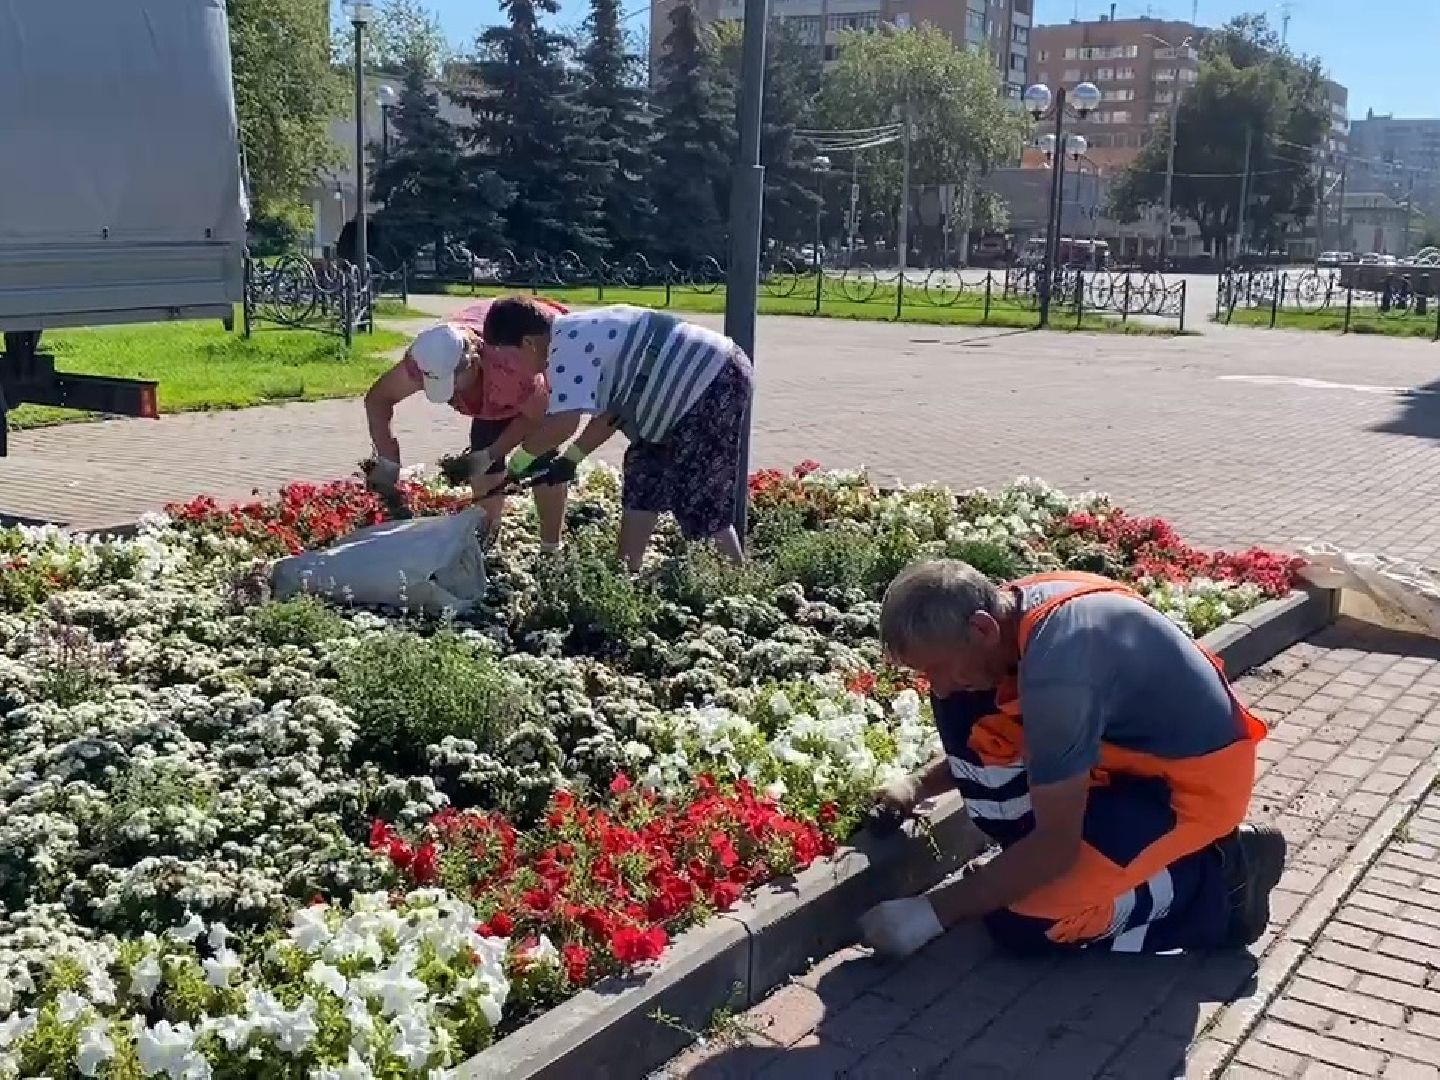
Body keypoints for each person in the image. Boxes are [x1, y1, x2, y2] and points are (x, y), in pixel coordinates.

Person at [859, 561, 1286, 959]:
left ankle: (1219, 878)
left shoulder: (1057, 672)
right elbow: (1007, 736)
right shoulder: (1012, 614)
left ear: (983, 628)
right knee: (964, 707)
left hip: (1185, 792)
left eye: (938, 668)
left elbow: (1055, 847)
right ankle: (1038, 859)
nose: (940, 687)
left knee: (1029, 924)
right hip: (1125, 766)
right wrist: (915, 787)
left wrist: (934, 911)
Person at [475, 296, 754, 571]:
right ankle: (626, 570)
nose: (509, 370)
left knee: (699, 499)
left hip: (710, 383)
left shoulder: (565, 348)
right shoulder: (579, 334)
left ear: (528, 343)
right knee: (644, 472)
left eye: (507, 360)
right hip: (706, 380)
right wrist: (570, 460)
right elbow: (610, 416)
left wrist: (517, 464)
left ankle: (737, 583)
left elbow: (562, 424)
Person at [362, 297, 582, 550]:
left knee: (542, 462)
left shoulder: (514, 369)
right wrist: (388, 461)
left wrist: (494, 453)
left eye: (453, 384)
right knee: (483, 467)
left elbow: (536, 417)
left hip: (538, 357)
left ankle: (551, 548)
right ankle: (487, 543)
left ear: (474, 363)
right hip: (492, 394)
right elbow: (378, 399)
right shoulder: (425, 358)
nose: (452, 394)